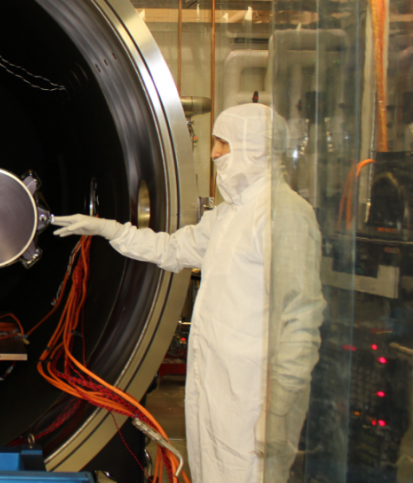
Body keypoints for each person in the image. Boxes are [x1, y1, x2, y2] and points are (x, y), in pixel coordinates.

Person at [52, 104, 325, 483]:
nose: (214, 154)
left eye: (222, 144)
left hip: (254, 398)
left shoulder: (285, 216)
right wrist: (108, 229)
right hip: (216, 387)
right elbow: (172, 250)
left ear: (255, 147)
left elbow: (301, 321)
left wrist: (277, 410)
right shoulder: (229, 216)